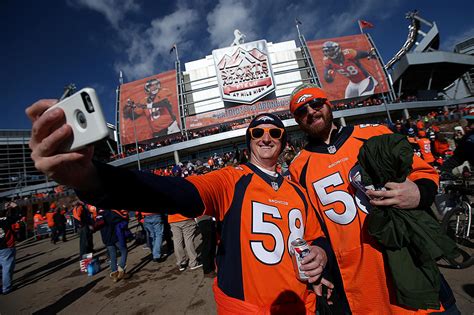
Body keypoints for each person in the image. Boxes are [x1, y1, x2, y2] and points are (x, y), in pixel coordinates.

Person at [27, 99, 332, 314]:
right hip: (247, 308)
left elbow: (315, 237)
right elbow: (176, 193)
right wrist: (94, 178)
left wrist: (319, 253)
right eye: (258, 132)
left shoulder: (297, 190)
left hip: (302, 305)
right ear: (248, 140)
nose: (267, 138)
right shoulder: (231, 179)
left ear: (284, 141)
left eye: (275, 133)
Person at [288, 83, 458, 314]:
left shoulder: (372, 133)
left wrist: (419, 192)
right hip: (360, 279)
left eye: (315, 103)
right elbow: (313, 228)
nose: (311, 111)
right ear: (297, 121)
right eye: (301, 111)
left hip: (408, 258)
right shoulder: (299, 167)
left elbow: (422, 172)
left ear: (328, 104)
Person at [0, 207, 16, 295]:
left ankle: (2, 286)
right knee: (7, 268)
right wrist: (15, 207)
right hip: (6, 247)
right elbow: (17, 215)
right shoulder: (5, 220)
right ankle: (6, 287)